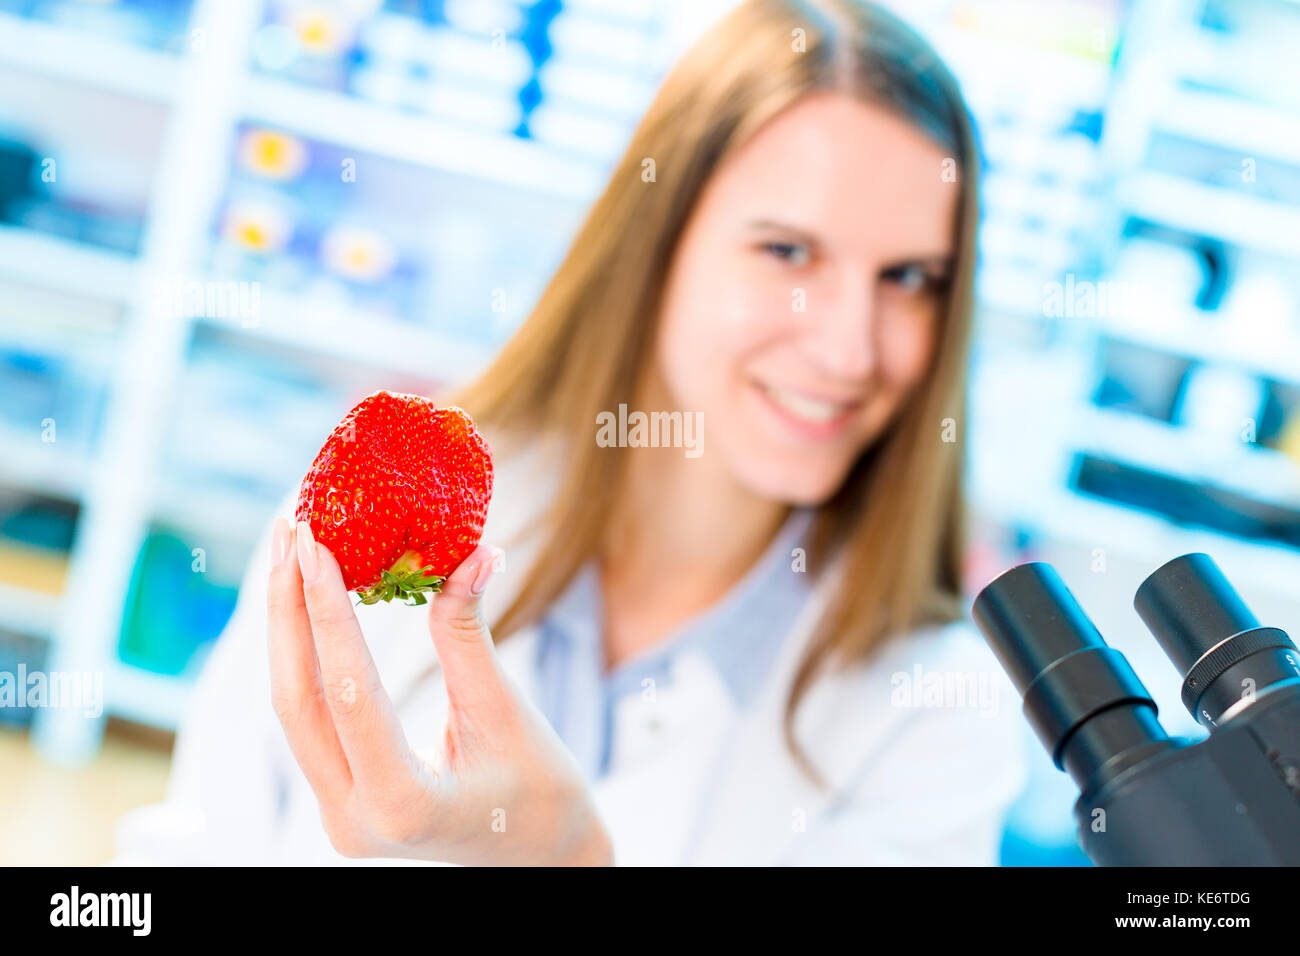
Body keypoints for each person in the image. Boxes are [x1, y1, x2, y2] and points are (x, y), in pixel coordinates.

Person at [113, 0, 1028, 866]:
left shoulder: (937, 715)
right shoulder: (394, 505)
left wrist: (574, 857)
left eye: (911, 278)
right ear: (654, 241)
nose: (847, 346)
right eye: (787, 252)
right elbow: (204, 837)